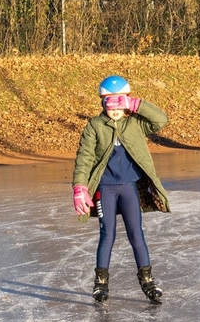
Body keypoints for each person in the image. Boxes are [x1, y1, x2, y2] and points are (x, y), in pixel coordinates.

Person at [71, 75, 170, 304]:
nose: (114, 108)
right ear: (102, 103)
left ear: (126, 102)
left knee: (136, 233)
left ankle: (147, 281)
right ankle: (101, 283)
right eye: (109, 102)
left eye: (120, 101)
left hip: (129, 188)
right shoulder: (95, 126)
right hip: (105, 189)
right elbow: (84, 158)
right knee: (108, 234)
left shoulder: (135, 123)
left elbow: (160, 120)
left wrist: (137, 105)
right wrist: (79, 187)